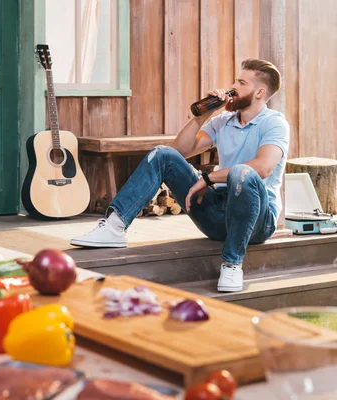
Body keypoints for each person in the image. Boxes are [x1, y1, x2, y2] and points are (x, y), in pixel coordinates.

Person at [70, 59, 290, 293]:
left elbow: (263, 167)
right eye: (235, 79)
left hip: (257, 220)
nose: (233, 86)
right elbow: (180, 151)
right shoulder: (223, 121)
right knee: (162, 154)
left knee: (242, 173)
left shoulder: (274, 123)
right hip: (218, 217)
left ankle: (232, 263)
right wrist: (203, 115)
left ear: (260, 92)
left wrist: (208, 178)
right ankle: (114, 227)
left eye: (241, 82)